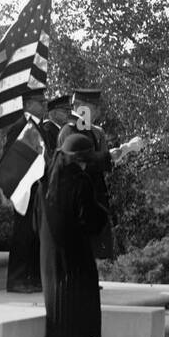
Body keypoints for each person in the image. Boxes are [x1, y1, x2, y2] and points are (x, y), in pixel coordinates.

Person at [43, 132, 110, 337]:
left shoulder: (47, 181)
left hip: (52, 262)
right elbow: (91, 220)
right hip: (77, 260)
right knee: (85, 322)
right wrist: (102, 215)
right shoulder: (80, 181)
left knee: (62, 319)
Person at [57, 88, 144, 261]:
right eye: (93, 107)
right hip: (76, 196)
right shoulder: (70, 130)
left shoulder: (93, 131)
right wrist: (126, 148)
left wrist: (122, 152)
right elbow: (86, 160)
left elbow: (105, 162)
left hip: (92, 193)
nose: (97, 112)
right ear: (80, 106)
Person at [0, 86, 50, 293]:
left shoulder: (40, 127)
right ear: (27, 105)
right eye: (40, 102)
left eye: (44, 102)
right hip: (25, 190)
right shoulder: (20, 126)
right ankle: (17, 279)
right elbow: (7, 159)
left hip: (38, 189)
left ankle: (33, 277)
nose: (44, 105)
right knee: (23, 234)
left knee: (35, 235)